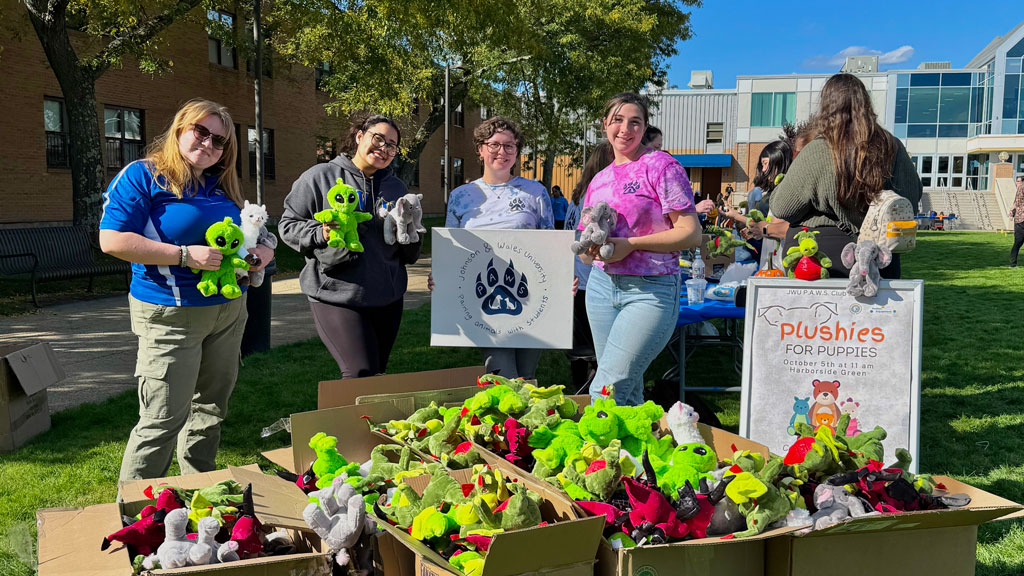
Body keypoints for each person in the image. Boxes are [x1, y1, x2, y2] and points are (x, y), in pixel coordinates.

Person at [99, 98, 274, 481]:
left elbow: (256, 232)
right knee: (162, 419)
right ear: (181, 128)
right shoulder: (143, 175)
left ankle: (198, 492)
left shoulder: (221, 181)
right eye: (202, 132)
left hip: (229, 312)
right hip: (169, 315)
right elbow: (111, 240)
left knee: (210, 412)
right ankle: (137, 517)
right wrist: (183, 255)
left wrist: (262, 250)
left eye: (220, 141)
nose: (209, 144)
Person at [579, 93, 701, 406]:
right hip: (601, 289)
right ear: (605, 124)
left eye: (635, 122)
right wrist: (590, 251)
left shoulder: (661, 166)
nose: (625, 129)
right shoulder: (599, 180)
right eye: (617, 120)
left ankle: (599, 454)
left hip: (650, 291)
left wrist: (629, 245)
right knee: (627, 389)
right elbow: (584, 245)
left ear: (644, 127)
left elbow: (690, 233)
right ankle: (636, 454)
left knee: (605, 390)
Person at [280, 113, 421, 379]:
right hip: (337, 295)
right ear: (359, 136)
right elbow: (288, 225)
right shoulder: (320, 177)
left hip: (387, 296)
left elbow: (405, 240)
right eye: (378, 139)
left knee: (376, 371)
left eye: (392, 146)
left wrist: (411, 232)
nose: (384, 149)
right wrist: (320, 233)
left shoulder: (395, 186)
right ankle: (343, 421)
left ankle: (368, 421)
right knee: (359, 372)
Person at [770, 73, 922, 278]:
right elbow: (911, 198)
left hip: (821, 257)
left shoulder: (819, 149)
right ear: (866, 104)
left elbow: (782, 207)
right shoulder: (892, 146)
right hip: (879, 257)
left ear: (826, 107)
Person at [445, 116, 554, 379]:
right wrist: (441, 277)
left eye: (509, 146)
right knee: (504, 377)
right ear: (480, 149)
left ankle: (524, 421)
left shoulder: (535, 193)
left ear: (517, 151)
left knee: (526, 378)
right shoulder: (460, 196)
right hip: (482, 300)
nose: (501, 152)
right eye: (493, 145)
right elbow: (449, 249)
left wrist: (562, 279)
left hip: (532, 296)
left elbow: (551, 246)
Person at [564, 140, 613, 392]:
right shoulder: (596, 197)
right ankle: (592, 390)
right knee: (596, 346)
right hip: (590, 278)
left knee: (581, 345)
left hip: (576, 277)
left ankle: (580, 388)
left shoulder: (577, 195)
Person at [1009, 176, 1024, 267]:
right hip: (1021, 220)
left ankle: (1013, 263)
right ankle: (1013, 263)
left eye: (1018, 181)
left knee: (1017, 242)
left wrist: (1012, 211)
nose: (1017, 183)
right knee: (1018, 242)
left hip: (1019, 220)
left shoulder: (1020, 189)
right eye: (1017, 181)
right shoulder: (1021, 189)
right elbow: (1017, 204)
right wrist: (1012, 211)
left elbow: (1016, 204)